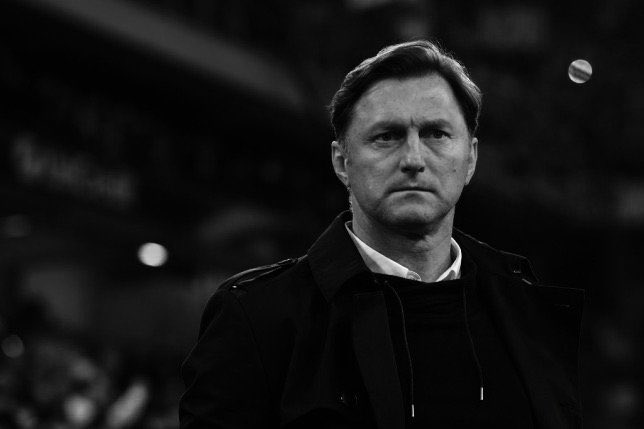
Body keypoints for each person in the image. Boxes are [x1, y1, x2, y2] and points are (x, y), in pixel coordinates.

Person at [179, 40, 584, 429]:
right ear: (342, 162)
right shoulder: (257, 318)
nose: (413, 159)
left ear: (471, 159)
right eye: (386, 136)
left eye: (436, 134)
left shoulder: (525, 308)